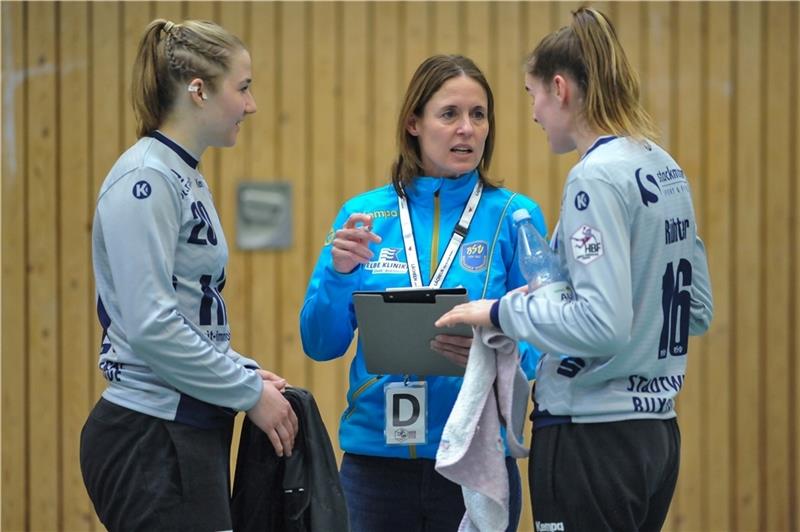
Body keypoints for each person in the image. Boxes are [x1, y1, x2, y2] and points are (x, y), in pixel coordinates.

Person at [436, 7, 714, 532]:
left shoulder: (595, 178)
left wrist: (500, 310)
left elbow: (602, 324)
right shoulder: (663, 166)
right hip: (656, 436)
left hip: (592, 436)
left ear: (559, 88)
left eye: (531, 95)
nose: (534, 112)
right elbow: (696, 310)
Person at [299, 54, 547, 532]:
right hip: (374, 464)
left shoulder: (515, 217)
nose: (467, 130)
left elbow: (541, 343)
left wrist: (488, 354)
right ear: (414, 122)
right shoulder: (364, 215)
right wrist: (339, 273)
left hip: (475, 460)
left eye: (478, 115)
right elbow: (319, 343)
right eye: (449, 114)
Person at [79, 19, 298, 531]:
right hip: (150, 433)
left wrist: (238, 368)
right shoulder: (146, 178)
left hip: (184, 425)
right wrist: (247, 394)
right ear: (198, 90)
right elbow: (153, 326)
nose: (252, 104)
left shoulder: (183, 175)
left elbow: (186, 312)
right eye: (242, 88)